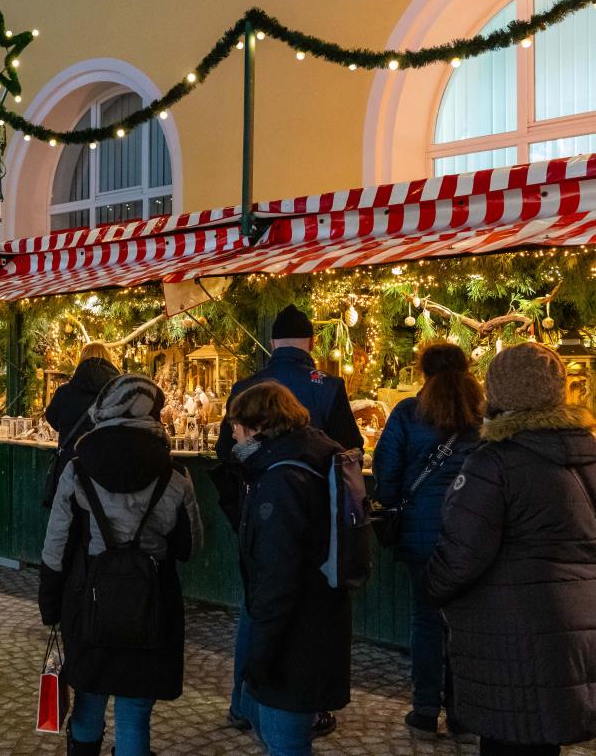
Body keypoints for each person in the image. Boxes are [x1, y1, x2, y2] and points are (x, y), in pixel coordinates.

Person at [425, 343, 596, 756]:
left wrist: (432, 588)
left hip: (511, 635)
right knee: (544, 736)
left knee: (511, 739)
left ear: (497, 393)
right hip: (579, 627)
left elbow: (460, 555)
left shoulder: (494, 462)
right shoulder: (589, 454)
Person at [216, 304, 361, 737]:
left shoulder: (245, 386)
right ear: (312, 343)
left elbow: (227, 457)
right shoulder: (328, 386)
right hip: (317, 520)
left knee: (257, 606)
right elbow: (350, 451)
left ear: (274, 342)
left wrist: (244, 512)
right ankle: (301, 707)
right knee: (305, 610)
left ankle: (245, 702)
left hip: (256, 511)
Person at [40, 374, 203, 756]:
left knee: (89, 699)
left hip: (88, 600)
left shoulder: (78, 469)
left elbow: (56, 545)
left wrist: (50, 604)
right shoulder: (176, 476)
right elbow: (189, 547)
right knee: (134, 712)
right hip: (151, 605)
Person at [372, 343, 482, 741]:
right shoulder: (482, 417)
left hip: (420, 536)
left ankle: (423, 711)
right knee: (465, 623)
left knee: (426, 620)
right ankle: (463, 715)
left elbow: (385, 475)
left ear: (423, 372)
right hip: (471, 537)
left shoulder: (407, 413)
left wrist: (396, 498)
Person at [42, 341, 120, 507]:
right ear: (109, 361)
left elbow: (51, 417)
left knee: (68, 521)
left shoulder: (64, 392)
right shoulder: (117, 393)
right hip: (105, 468)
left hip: (70, 465)